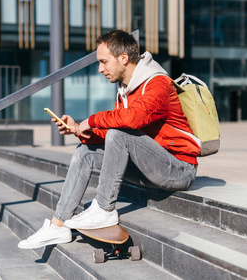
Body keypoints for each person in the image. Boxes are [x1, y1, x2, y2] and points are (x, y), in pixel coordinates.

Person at [18, 29, 200, 250]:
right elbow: (113, 135)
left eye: (104, 61)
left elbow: (131, 121)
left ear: (123, 58)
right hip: (148, 165)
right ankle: (58, 225)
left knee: (119, 131)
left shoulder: (158, 83)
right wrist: (80, 130)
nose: (100, 68)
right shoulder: (125, 90)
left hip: (178, 168)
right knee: (86, 153)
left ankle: (104, 209)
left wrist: (92, 120)